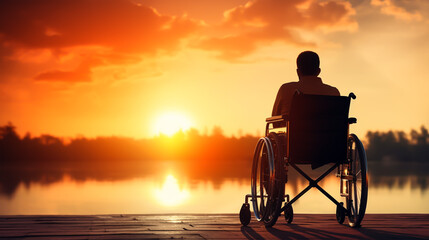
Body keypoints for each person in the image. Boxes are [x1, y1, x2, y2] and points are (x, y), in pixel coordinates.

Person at [272, 51, 340, 116]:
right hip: (327, 128)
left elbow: (274, 119)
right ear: (318, 71)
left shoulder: (286, 89)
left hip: (294, 128)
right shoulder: (334, 92)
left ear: (298, 72)